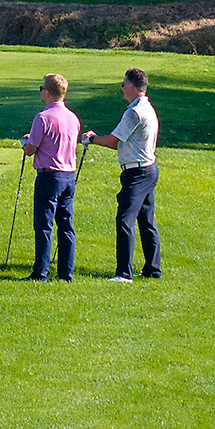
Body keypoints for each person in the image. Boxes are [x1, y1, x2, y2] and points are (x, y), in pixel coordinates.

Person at [83, 66, 159, 281]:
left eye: (124, 84)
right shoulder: (146, 107)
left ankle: (124, 273)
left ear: (133, 87)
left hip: (138, 172)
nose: (122, 88)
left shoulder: (134, 111)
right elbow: (122, 143)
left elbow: (113, 141)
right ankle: (153, 269)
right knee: (146, 221)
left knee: (125, 219)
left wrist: (92, 139)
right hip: (148, 168)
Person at [21, 73, 80, 282]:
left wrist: (24, 144)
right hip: (68, 175)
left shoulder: (43, 117)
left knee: (44, 225)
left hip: (49, 175)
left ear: (47, 92)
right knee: (66, 225)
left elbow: (30, 150)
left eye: (41, 88)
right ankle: (65, 272)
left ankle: (41, 272)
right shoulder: (73, 118)